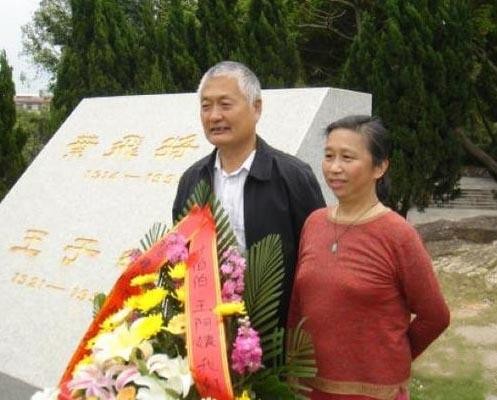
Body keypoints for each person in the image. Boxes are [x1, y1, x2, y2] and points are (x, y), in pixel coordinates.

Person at [288, 115, 450, 400]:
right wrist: (292, 366)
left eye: (347, 157)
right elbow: (298, 306)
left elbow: (435, 316)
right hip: (311, 389)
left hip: (375, 393)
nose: (334, 167)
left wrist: (392, 357)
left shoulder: (398, 234)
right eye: (329, 156)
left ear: (380, 167)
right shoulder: (314, 223)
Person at [172, 61, 325, 326]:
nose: (214, 116)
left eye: (225, 104)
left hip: (277, 334)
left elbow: (318, 262)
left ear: (256, 108)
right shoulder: (192, 180)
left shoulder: (292, 176)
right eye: (206, 106)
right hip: (209, 330)